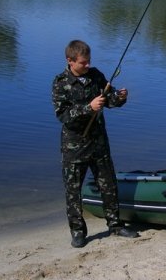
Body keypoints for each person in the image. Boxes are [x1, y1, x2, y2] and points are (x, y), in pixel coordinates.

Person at [51, 40, 139, 248]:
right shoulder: (60, 82)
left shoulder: (96, 75)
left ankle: (115, 225)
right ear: (70, 61)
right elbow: (63, 115)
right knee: (73, 191)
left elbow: (109, 100)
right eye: (83, 63)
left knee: (108, 185)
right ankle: (78, 232)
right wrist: (88, 108)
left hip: (99, 142)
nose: (87, 65)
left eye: (89, 61)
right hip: (74, 146)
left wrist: (119, 97)